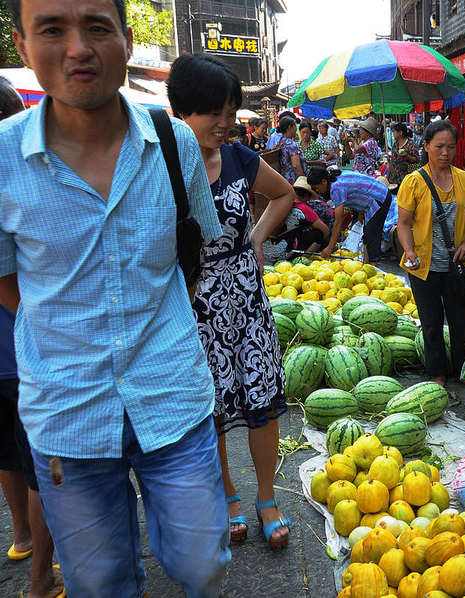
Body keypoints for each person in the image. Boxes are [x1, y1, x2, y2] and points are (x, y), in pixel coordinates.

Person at [0, 0, 230, 595]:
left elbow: (197, 250)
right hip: (68, 411)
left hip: (171, 394)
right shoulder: (1, 157)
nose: (78, 48)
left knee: (203, 561)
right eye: (52, 29)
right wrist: (62, 328)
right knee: (100, 582)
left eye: (97, 28)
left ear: (127, 42)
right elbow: (5, 280)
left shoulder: (171, 140)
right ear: (24, 46)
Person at [168, 55, 296, 550]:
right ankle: (228, 498)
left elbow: (284, 194)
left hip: (246, 295)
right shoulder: (167, 164)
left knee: (262, 402)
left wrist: (258, 238)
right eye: (213, 112)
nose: (225, 123)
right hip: (196, 302)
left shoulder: (242, 158)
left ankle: (267, 497)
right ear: (183, 110)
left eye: (230, 111)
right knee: (215, 408)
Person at [0, 76, 63, 598]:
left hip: (19, 354)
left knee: (12, 455)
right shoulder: (24, 172)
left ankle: (22, 539)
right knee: (44, 466)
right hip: (30, 360)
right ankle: (42, 572)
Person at [396, 120, 465, 392]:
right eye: (439, 147)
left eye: (450, 147)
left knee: (462, 322)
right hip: (423, 265)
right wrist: (409, 250)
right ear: (426, 147)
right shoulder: (413, 182)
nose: (445, 153)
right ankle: (436, 372)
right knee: (431, 323)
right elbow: (403, 222)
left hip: (458, 265)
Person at [309, 166, 390, 262]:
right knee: (369, 234)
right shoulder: (337, 177)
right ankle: (369, 261)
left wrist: (330, 247)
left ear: (324, 182)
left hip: (379, 197)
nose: (317, 191)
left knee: (371, 235)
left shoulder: (336, 188)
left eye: (316, 188)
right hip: (379, 194)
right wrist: (361, 212)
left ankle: (373, 264)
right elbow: (359, 187)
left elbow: (338, 221)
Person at [267, 115, 303, 183]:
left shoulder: (281, 141)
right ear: (290, 127)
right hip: (293, 179)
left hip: (284, 178)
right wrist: (303, 179)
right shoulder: (291, 144)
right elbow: (296, 165)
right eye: (295, 126)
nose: (296, 129)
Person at [387, 122, 421, 187]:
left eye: (394, 132)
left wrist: (406, 156)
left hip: (406, 178)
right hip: (394, 178)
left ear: (400, 133)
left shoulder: (411, 144)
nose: (393, 134)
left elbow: (417, 160)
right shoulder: (395, 144)